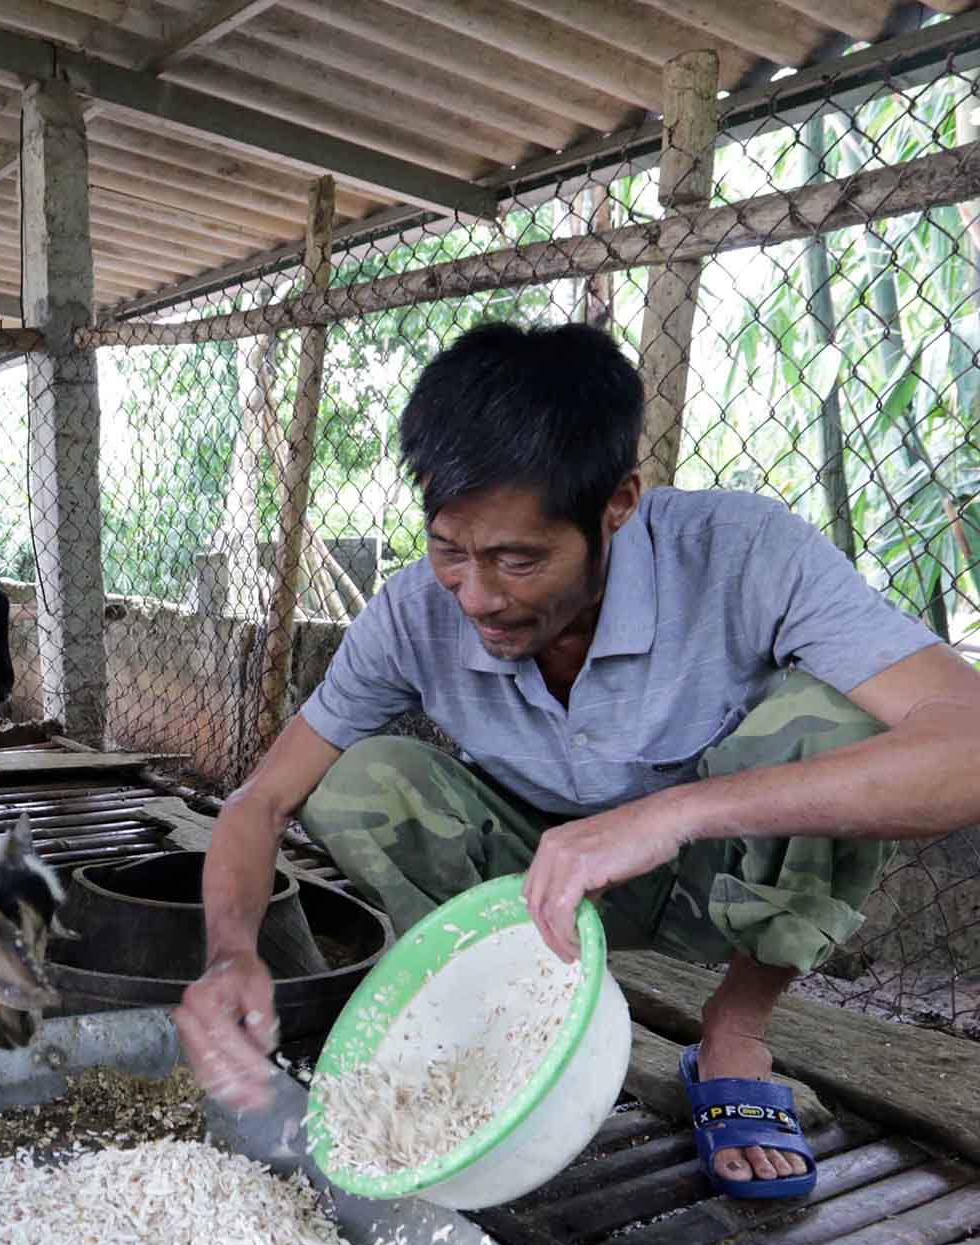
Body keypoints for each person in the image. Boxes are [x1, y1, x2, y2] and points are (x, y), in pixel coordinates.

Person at [176, 320, 980, 1199]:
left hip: (719, 884)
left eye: (519, 559)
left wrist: (669, 814)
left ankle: (733, 1032)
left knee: (833, 724)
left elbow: (967, 743)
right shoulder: (412, 613)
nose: (477, 596)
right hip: (533, 897)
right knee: (362, 778)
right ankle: (495, 1015)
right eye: (450, 548)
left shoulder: (743, 551)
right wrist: (228, 954)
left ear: (619, 504)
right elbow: (260, 801)